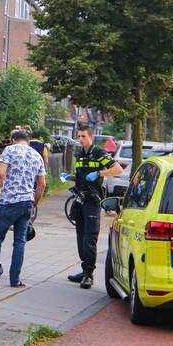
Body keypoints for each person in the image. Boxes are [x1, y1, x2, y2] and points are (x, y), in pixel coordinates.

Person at [0, 129, 45, 288]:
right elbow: (42, 184)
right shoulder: (36, 155)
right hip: (26, 203)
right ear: (27, 140)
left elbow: (0, 175)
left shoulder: (9, 150)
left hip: (8, 202)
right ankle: (15, 280)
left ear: (13, 140)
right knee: (19, 242)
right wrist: (34, 203)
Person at [66, 123, 123, 289]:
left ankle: (89, 275)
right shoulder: (79, 154)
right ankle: (84, 271)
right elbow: (81, 176)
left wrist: (99, 173)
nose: (81, 139)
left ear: (91, 137)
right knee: (81, 236)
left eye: (84, 136)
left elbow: (117, 169)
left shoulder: (98, 152)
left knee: (90, 237)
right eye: (79, 136)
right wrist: (71, 177)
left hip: (92, 201)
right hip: (80, 199)